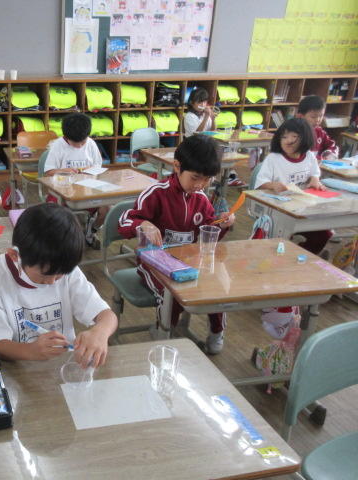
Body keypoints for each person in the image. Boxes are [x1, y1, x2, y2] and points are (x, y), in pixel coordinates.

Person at [118, 135, 235, 354]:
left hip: (188, 262)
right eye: (195, 177)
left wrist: (222, 224)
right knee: (172, 292)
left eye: (206, 179)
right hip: (153, 264)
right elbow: (124, 221)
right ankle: (164, 329)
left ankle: (216, 331)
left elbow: (209, 233)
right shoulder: (156, 194)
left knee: (217, 285)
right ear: (177, 166)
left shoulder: (201, 199)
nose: (200, 185)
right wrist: (143, 224)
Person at [0, 203, 118, 368]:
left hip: (60, 365)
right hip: (14, 368)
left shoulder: (64, 269)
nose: (52, 282)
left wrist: (100, 332)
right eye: (44, 275)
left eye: (60, 275)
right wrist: (31, 351)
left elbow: (107, 316)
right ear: (15, 256)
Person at [253, 117, 331, 254]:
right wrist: (273, 185)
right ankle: (288, 256)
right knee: (282, 239)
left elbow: (315, 172)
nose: (288, 141)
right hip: (279, 210)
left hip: (303, 209)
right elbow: (260, 184)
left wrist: (315, 179)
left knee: (324, 234)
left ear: (305, 138)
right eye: (284, 137)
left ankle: (302, 255)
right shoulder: (274, 159)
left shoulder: (309, 156)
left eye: (294, 137)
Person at [44, 112, 107, 245]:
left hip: (87, 189)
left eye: (83, 142)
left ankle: (92, 230)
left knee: (107, 208)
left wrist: (90, 170)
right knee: (56, 214)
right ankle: (65, 237)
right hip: (62, 191)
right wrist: (63, 171)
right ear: (66, 137)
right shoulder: (58, 146)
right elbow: (48, 172)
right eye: (75, 143)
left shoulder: (90, 143)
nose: (80, 146)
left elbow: (97, 165)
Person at [184, 88, 243, 187]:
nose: (203, 105)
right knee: (216, 153)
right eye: (199, 102)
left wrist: (213, 118)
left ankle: (229, 175)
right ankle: (214, 177)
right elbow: (197, 133)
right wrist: (206, 117)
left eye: (204, 102)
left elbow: (213, 131)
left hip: (206, 144)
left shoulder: (205, 115)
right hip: (193, 145)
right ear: (191, 103)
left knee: (228, 149)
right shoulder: (189, 116)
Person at [296, 95, 339, 161]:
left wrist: (329, 153)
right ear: (300, 116)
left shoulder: (320, 132)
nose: (318, 120)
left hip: (317, 165)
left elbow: (332, 145)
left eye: (321, 116)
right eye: (313, 117)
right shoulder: (294, 133)